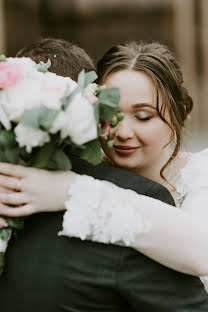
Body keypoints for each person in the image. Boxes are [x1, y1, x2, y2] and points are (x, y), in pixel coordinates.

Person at [0, 39, 208, 312]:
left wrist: (72, 191)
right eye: (110, 114)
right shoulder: (78, 168)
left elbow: (200, 251)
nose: (122, 132)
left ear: (180, 115)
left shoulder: (200, 175)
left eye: (143, 116)